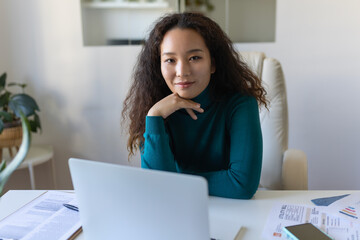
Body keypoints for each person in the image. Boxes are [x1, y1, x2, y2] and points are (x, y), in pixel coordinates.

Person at [122, 12, 267, 199]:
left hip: (232, 208)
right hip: (179, 210)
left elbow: (241, 184)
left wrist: (176, 181)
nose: (182, 71)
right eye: (170, 60)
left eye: (194, 58)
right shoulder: (154, 108)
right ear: (158, 65)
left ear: (213, 63)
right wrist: (155, 116)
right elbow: (157, 187)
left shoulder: (240, 104)